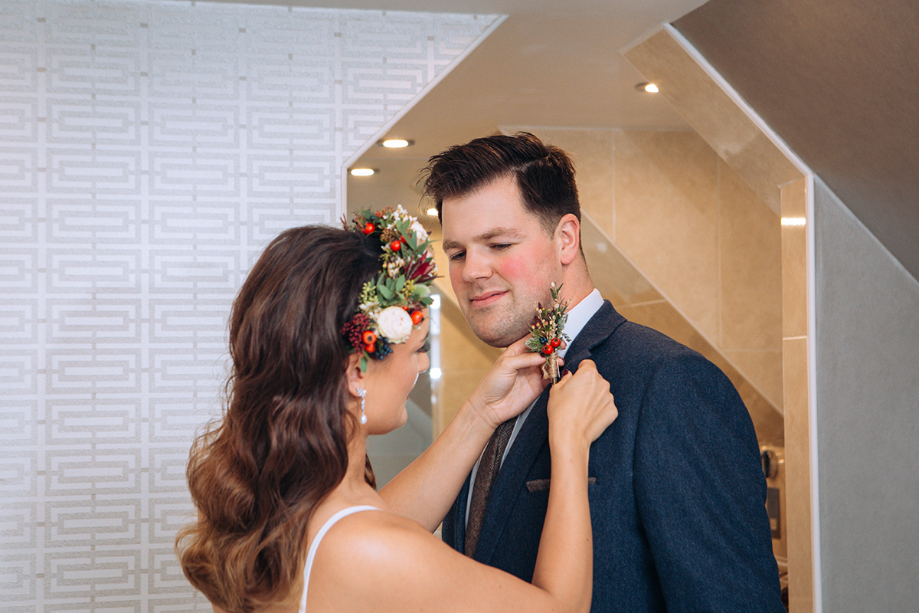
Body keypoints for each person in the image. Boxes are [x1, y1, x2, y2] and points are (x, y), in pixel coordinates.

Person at [175, 206, 618, 613]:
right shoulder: (368, 548)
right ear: (355, 372)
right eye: (417, 351)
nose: (423, 366)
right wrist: (570, 444)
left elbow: (388, 517)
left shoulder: (301, 512)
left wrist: (482, 413)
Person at [421, 132, 785, 612]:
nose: (471, 272)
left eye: (499, 243)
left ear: (566, 239)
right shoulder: (496, 395)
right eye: (458, 253)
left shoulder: (668, 383)